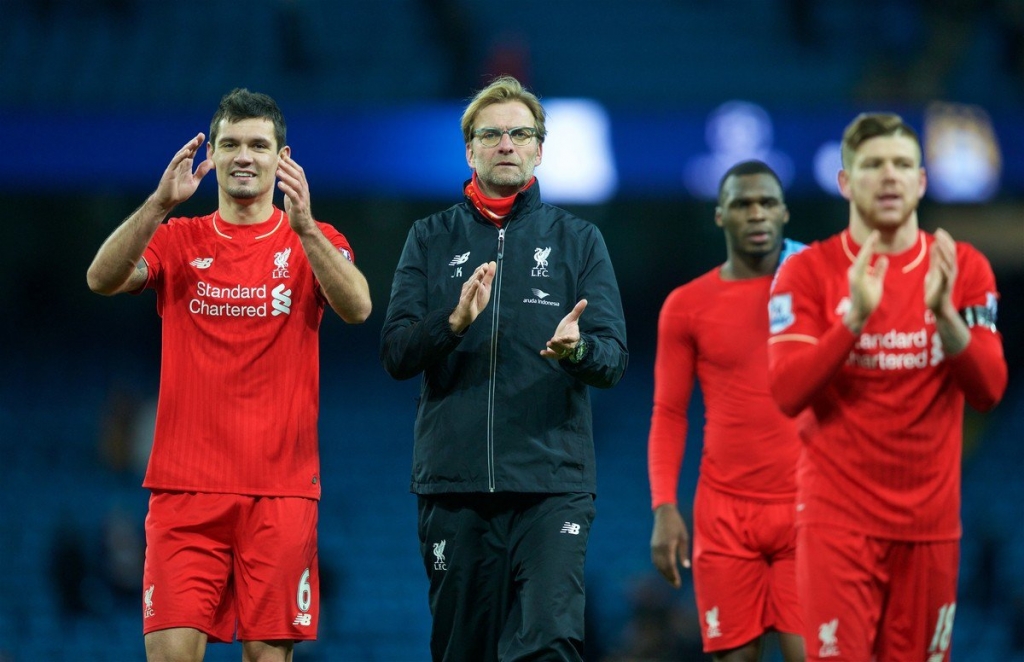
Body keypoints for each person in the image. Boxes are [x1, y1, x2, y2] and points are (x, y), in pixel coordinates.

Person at [86, 88, 372, 662]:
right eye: (231, 144)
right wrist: (157, 205)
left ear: (282, 157)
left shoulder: (316, 240)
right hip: (184, 492)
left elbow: (358, 307)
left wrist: (308, 227)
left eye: (259, 145)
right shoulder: (176, 238)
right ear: (211, 156)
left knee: (268, 658)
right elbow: (101, 277)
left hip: (280, 492)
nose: (245, 155)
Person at [379, 74, 628, 662]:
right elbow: (395, 354)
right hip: (456, 489)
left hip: (552, 489)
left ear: (540, 147)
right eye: (491, 135)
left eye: (520, 133)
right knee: (463, 651)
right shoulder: (428, 238)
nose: (507, 145)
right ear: (470, 149)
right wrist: (454, 323)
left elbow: (613, 359)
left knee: (552, 645)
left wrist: (578, 352)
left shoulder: (579, 240)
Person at [767, 112, 1007, 661]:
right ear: (846, 182)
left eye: (902, 164)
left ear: (922, 181)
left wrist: (946, 317)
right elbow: (787, 392)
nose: (890, 176)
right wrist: (853, 321)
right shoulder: (806, 273)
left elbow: (989, 390)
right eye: (873, 165)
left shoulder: (963, 268)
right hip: (836, 527)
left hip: (929, 531)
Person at [648, 160, 807, 662]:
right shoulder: (687, 305)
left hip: (808, 509)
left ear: (783, 212)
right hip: (723, 517)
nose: (755, 214)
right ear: (721, 216)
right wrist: (664, 506)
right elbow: (670, 412)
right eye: (742, 204)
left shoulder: (820, 290)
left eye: (766, 203)